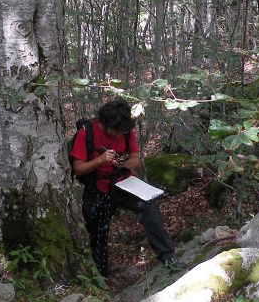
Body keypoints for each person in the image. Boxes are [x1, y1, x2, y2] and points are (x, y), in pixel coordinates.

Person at [70, 98, 185, 278]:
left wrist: (122, 163)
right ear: (105, 123)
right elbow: (78, 168)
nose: (117, 135)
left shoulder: (125, 130)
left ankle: (168, 256)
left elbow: (135, 160)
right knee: (98, 231)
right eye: (115, 132)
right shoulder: (86, 133)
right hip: (97, 189)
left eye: (121, 132)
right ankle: (100, 276)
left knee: (149, 206)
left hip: (124, 184)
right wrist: (100, 160)